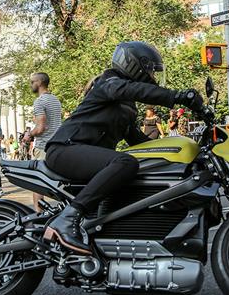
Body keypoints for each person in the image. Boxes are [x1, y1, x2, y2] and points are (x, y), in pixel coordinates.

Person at [43, 41, 203, 253]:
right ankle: (66, 219)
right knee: (125, 162)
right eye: (150, 71)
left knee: (136, 166)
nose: (153, 77)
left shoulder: (125, 105)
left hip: (79, 152)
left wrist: (174, 151)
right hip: (65, 149)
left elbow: (138, 141)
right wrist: (178, 96)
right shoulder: (109, 82)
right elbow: (134, 89)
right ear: (134, 65)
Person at [23, 72, 63, 209]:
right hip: (56, 145)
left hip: (43, 146)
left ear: (39, 82)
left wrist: (29, 134)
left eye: (32, 82)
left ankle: (39, 214)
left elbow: (41, 128)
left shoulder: (39, 101)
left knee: (37, 184)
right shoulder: (55, 100)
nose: (30, 85)